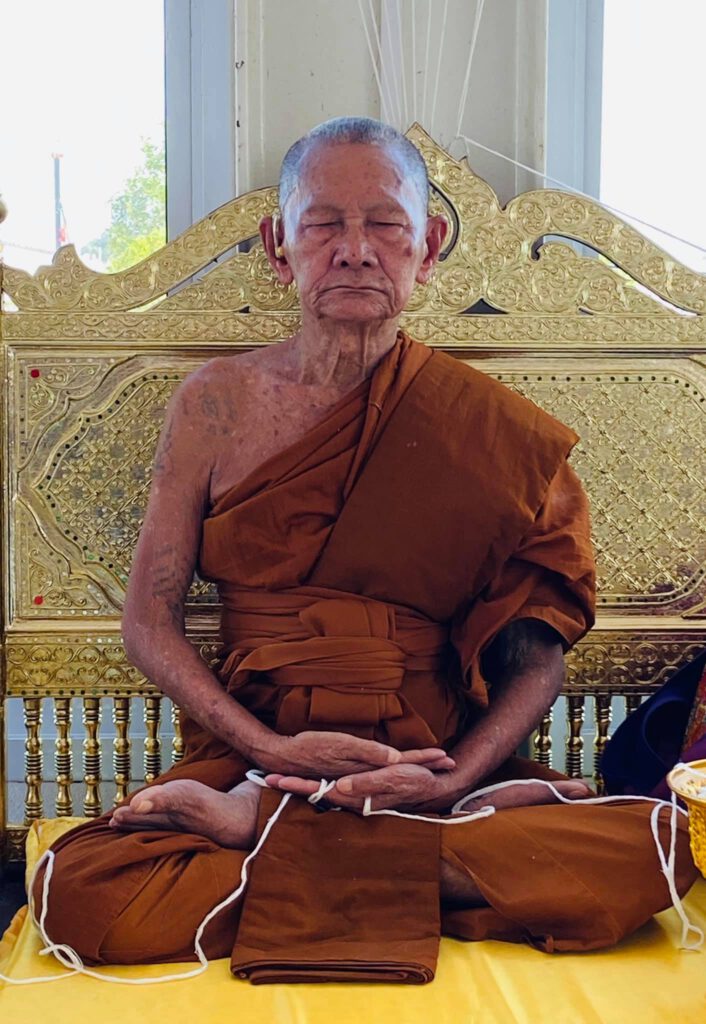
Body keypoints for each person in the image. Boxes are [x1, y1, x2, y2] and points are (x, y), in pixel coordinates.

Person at [33, 118, 697, 982]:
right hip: (251, 749)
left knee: (652, 847)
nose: (355, 250)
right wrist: (271, 755)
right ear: (281, 248)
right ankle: (417, 856)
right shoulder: (214, 405)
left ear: (428, 247)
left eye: (385, 224)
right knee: (79, 892)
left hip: (426, 754)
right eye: (323, 224)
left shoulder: (492, 430)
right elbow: (149, 625)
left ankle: (282, 840)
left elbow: (535, 658)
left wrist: (452, 776)